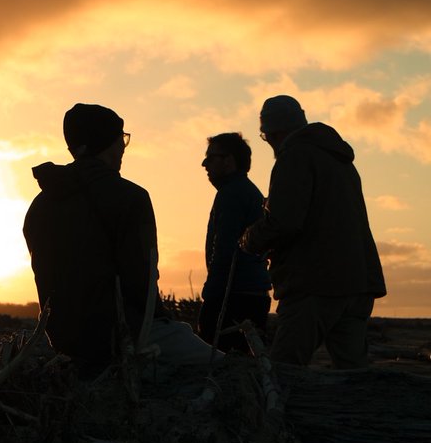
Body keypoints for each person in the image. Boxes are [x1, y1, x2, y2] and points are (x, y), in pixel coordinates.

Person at [23, 103, 215, 376]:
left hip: (66, 341)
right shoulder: (130, 197)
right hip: (121, 335)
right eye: (121, 138)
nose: (124, 147)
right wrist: (164, 321)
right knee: (222, 364)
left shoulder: (39, 206)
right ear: (108, 143)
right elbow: (142, 282)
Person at [241, 95, 386, 368]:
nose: (268, 142)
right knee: (356, 374)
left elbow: (284, 221)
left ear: (273, 131)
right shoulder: (341, 161)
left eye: (265, 135)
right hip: (356, 282)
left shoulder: (294, 157)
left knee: (284, 370)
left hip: (314, 283)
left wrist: (250, 239)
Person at [197, 133, 271, 353]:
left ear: (228, 161)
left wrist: (211, 295)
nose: (204, 164)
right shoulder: (249, 192)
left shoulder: (232, 194)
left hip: (234, 295)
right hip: (253, 293)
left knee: (219, 361)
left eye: (210, 158)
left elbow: (224, 249)